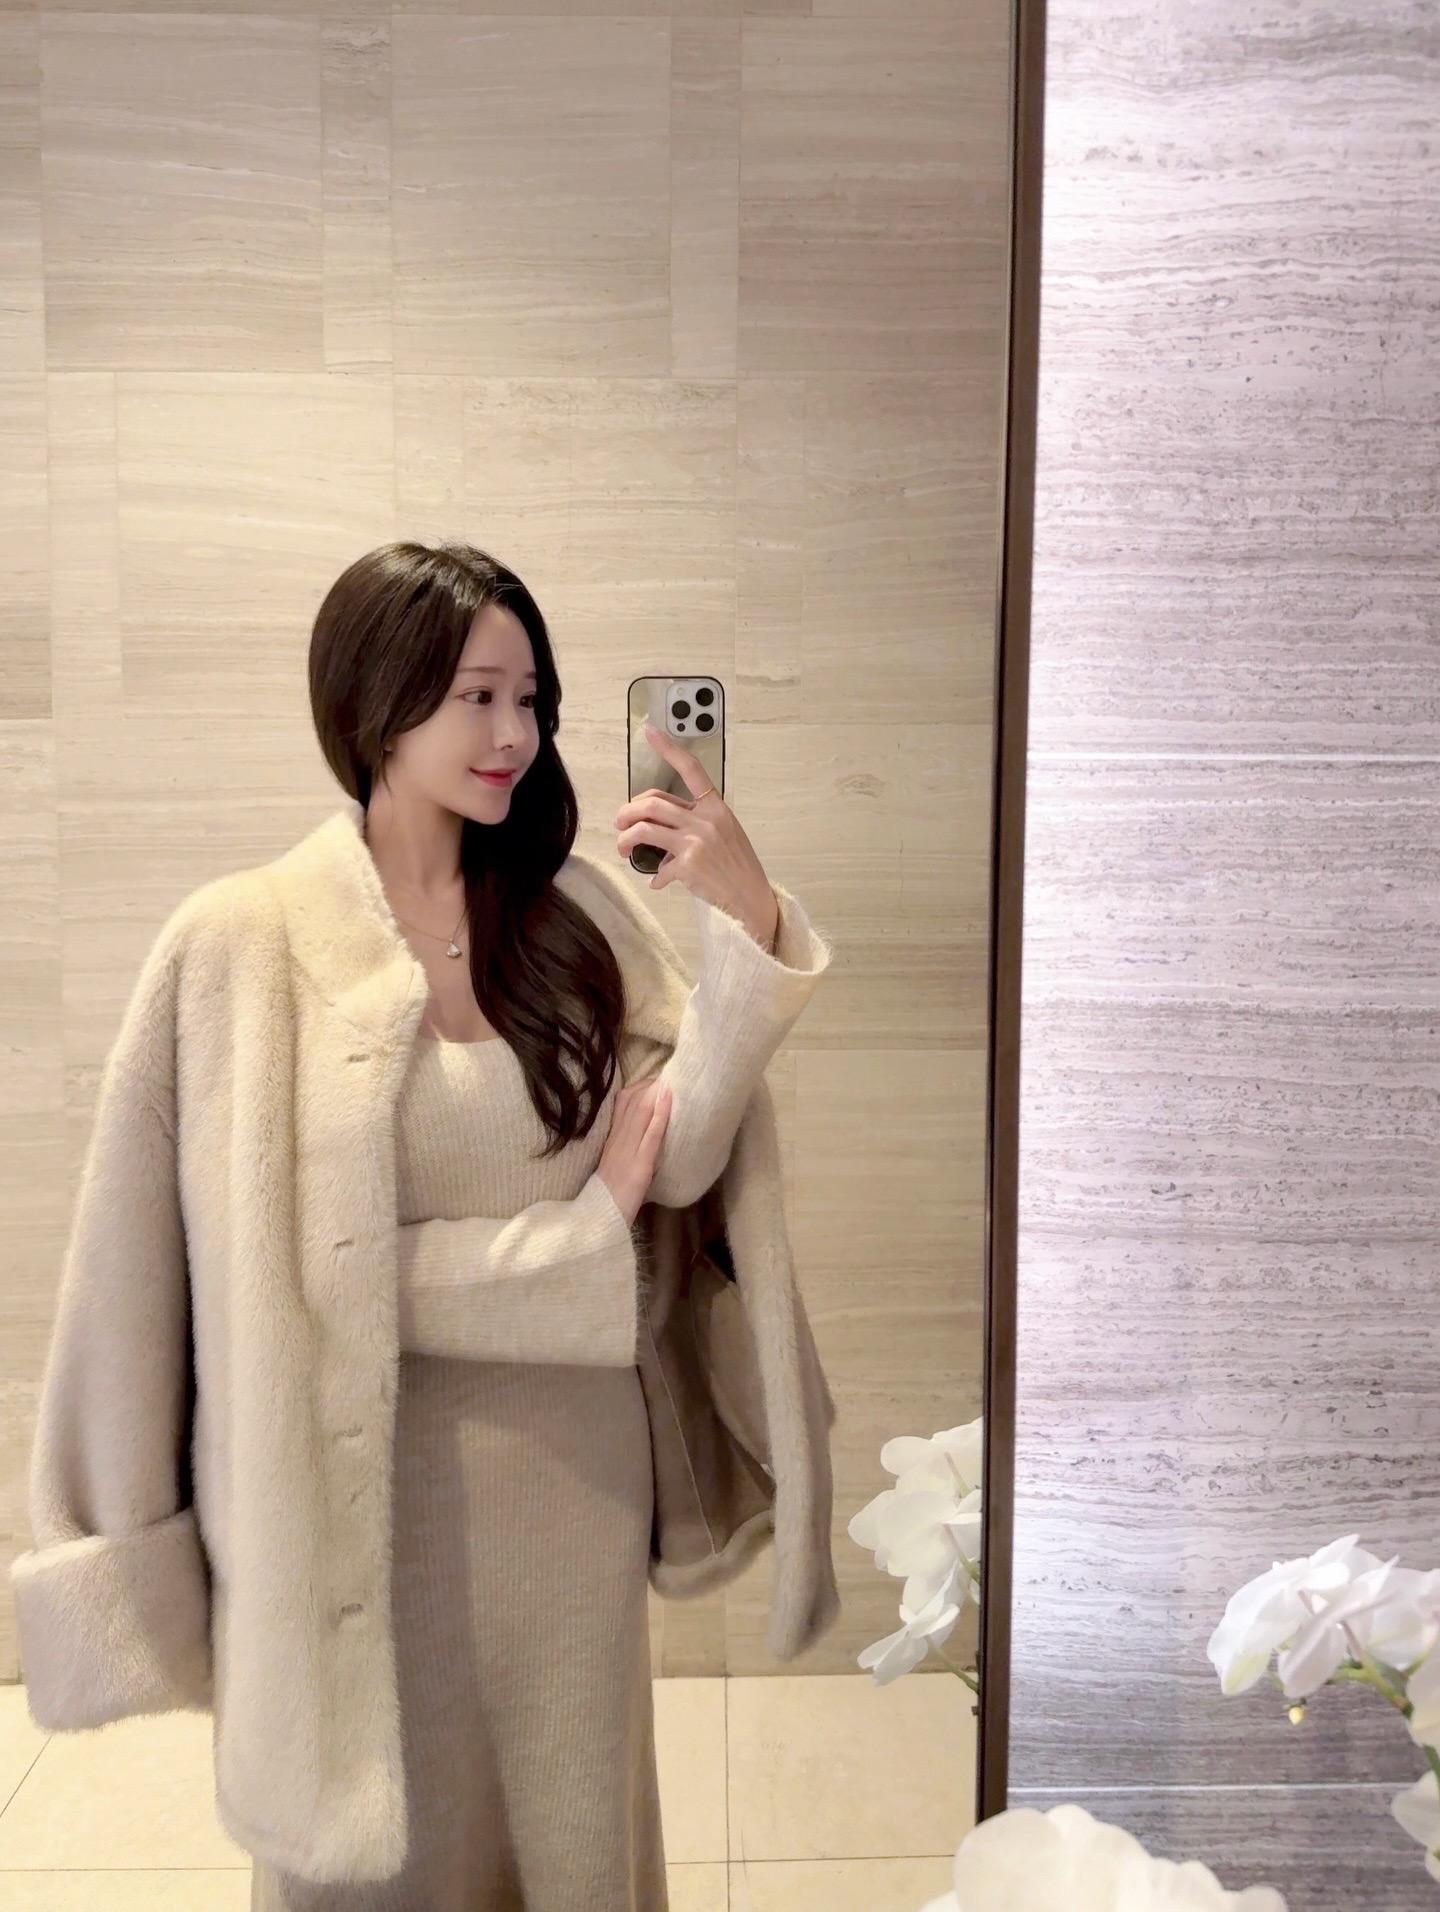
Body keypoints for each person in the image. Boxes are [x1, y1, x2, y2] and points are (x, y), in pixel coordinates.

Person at [247, 540, 831, 1909]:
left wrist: (745, 925)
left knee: (572, 1825)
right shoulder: (279, 942)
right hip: (373, 1484)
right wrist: (581, 1237)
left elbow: (679, 1162)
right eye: (477, 697)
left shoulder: (574, 909)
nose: (514, 735)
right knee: (378, 1849)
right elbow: (308, 1270)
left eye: (531, 699)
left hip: (574, 1476)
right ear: (372, 704)